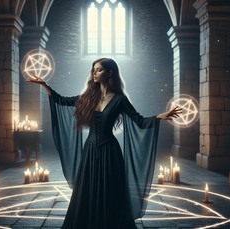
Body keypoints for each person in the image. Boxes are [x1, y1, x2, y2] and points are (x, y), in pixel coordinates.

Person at [27, 57, 182, 229]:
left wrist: (161, 116)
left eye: (99, 69)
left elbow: (139, 121)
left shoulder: (119, 100)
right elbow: (61, 100)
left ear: (110, 73)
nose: (94, 72)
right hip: (90, 151)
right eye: (93, 69)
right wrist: (44, 84)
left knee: (111, 191)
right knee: (88, 190)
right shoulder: (88, 97)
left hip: (110, 152)